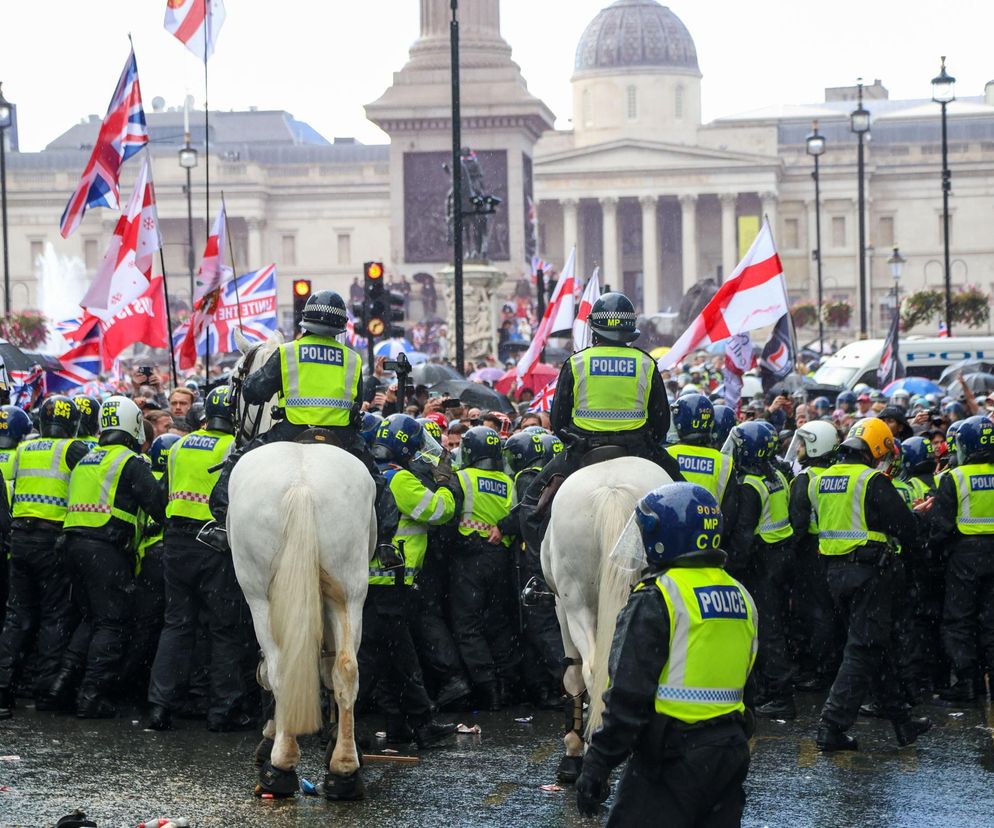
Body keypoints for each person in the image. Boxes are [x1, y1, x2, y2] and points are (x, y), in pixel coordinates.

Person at [575, 483, 757, 825]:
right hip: (728, 752)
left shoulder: (658, 596)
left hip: (672, 757)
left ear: (667, 537)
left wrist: (598, 763)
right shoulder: (740, 595)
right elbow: (749, 682)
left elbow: (629, 694)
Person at [205, 291, 398, 555]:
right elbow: (356, 402)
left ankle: (221, 526)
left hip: (291, 430)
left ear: (305, 321)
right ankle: (387, 544)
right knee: (377, 483)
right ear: (339, 328)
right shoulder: (353, 359)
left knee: (236, 463)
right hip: (341, 436)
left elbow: (253, 392)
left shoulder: (288, 353)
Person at [519, 293, 682, 551]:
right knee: (684, 497)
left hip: (583, 449)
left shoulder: (576, 362)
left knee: (530, 505)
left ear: (594, 328)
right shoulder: (646, 364)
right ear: (630, 330)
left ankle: (540, 577)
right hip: (637, 449)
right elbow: (661, 424)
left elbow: (559, 420)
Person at [814, 418, 930, 750]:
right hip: (871, 574)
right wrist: (919, 515)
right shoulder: (872, 480)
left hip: (837, 574)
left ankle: (902, 722)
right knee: (863, 650)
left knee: (876, 646)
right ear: (877, 447)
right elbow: (905, 528)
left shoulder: (825, 478)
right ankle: (831, 726)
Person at [146, 386, 249, 732]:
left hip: (176, 542)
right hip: (215, 543)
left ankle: (160, 707)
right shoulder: (236, 448)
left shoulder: (178, 445)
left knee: (176, 624)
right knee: (222, 629)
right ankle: (223, 712)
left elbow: (163, 495)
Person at [59, 396, 166, 718]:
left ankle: (61, 684)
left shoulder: (87, 457)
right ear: (135, 424)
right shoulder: (128, 461)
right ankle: (91, 697)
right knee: (112, 623)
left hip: (71, 544)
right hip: (105, 547)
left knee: (91, 619)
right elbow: (159, 506)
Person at [359, 414, 458, 748]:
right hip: (392, 582)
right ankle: (347, 723)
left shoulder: (368, 473)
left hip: (372, 581)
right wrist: (445, 485)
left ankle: (402, 725)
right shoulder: (398, 480)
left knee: (389, 660)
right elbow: (438, 511)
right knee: (391, 660)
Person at [0, 397, 87, 719]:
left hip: (19, 539)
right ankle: (46, 690)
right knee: (54, 616)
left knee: (17, 617)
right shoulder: (72, 449)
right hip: (51, 540)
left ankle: (3, 690)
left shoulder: (23, 449)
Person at [725, 421, 796, 719]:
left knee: (766, 630)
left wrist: (732, 569)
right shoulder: (777, 474)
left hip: (762, 561)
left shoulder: (750, 486)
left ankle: (781, 697)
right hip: (782, 556)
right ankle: (769, 689)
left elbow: (743, 534)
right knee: (774, 624)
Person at [446, 425, 519, 710]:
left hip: (469, 558)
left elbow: (449, 517)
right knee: (498, 624)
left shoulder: (462, 478)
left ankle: (487, 689)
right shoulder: (508, 481)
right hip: (499, 557)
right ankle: (506, 685)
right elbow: (514, 516)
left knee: (467, 625)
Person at [930, 415, 994, 705]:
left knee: (959, 619)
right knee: (991, 620)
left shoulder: (954, 477)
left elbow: (940, 527)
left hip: (965, 556)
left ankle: (967, 682)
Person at [502, 430, 563, 709]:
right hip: (549, 561)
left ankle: (567, 683)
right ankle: (545, 689)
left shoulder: (530, 479)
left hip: (537, 563)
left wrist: (503, 526)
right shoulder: (558, 478)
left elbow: (526, 515)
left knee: (543, 626)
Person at [785, 420, 841, 692]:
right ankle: (829, 666)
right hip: (834, 551)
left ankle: (818, 670)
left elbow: (796, 525)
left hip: (810, 552)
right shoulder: (837, 474)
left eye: (804, 443)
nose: (798, 448)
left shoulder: (804, 480)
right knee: (830, 611)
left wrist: (786, 558)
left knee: (815, 613)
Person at [665, 394, 737, 540]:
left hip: (670, 535)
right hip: (708, 537)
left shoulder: (666, 455)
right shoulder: (725, 462)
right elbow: (729, 515)